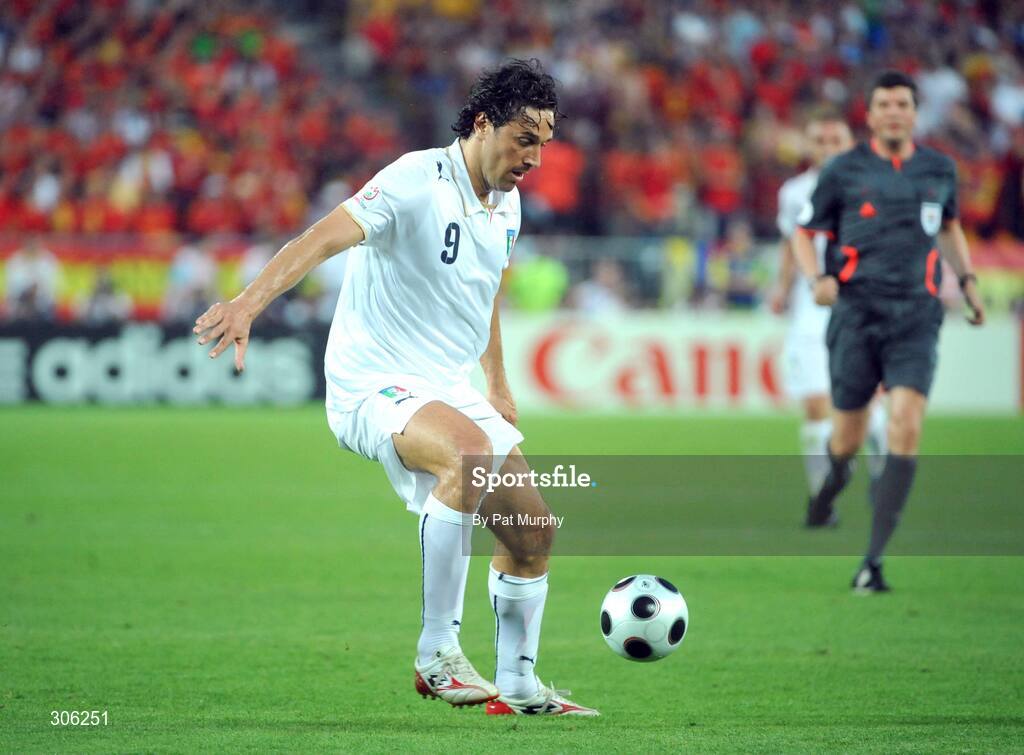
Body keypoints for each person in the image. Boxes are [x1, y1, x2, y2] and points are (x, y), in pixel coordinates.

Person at [194, 60, 597, 716]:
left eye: (544, 143)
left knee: (533, 531)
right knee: (466, 456)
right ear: (481, 123)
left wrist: (496, 382)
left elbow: (485, 289)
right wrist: (247, 302)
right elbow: (321, 238)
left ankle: (519, 687)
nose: (535, 157)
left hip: (446, 386)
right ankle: (437, 654)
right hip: (371, 381)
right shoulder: (417, 180)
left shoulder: (509, 206)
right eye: (525, 138)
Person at [792, 71, 985, 593]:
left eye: (903, 103)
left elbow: (948, 226)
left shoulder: (939, 169)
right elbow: (804, 234)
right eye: (885, 104)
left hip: (916, 317)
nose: (895, 111)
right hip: (855, 316)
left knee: (905, 425)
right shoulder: (843, 171)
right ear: (871, 115)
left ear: (914, 113)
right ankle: (827, 492)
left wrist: (966, 281)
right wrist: (817, 279)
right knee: (846, 441)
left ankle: (872, 562)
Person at [771, 108, 888, 522]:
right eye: (819, 141)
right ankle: (824, 499)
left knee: (864, 408)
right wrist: (782, 288)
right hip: (810, 310)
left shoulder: (873, 186)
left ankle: (881, 476)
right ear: (809, 145)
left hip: (859, 306)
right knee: (817, 406)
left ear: (849, 144)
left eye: (834, 140)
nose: (826, 148)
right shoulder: (794, 192)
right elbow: (791, 244)